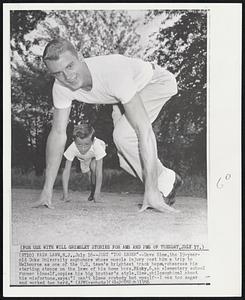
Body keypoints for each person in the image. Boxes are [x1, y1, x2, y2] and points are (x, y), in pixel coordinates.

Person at [34, 37, 182, 212]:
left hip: (156, 83)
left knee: (124, 137)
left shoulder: (113, 73)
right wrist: (46, 190)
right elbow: (58, 133)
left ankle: (157, 191)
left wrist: (150, 191)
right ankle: (168, 178)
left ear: (80, 57)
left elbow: (144, 130)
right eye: (57, 73)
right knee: (125, 160)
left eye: (70, 66)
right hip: (119, 98)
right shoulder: (61, 87)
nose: (67, 77)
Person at [61, 123, 106, 203]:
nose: (83, 148)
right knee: (89, 175)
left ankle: (95, 193)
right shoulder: (72, 147)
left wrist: (97, 194)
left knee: (94, 167)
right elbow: (66, 171)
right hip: (84, 159)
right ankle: (92, 190)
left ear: (92, 141)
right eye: (79, 144)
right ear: (74, 141)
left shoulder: (97, 145)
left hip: (94, 156)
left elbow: (99, 171)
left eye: (86, 144)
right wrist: (65, 195)